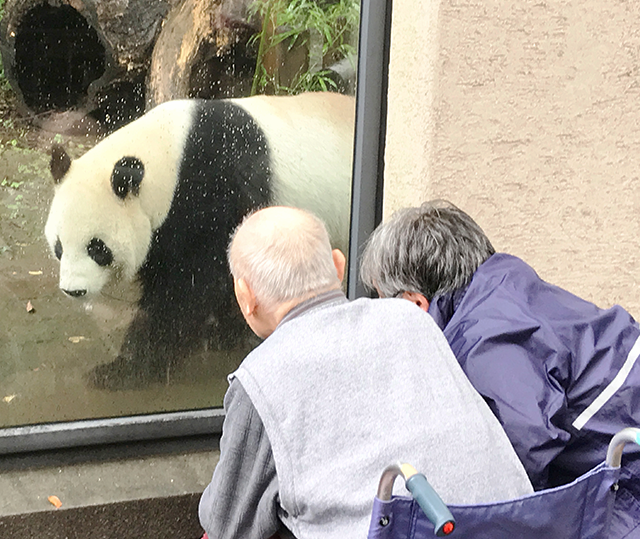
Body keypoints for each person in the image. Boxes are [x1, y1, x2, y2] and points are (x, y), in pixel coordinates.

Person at [198, 206, 532, 539]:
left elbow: (228, 523)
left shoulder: (262, 377)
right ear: (339, 266)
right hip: (511, 525)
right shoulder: (411, 320)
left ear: (246, 296)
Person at [360, 199, 640, 491]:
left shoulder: (484, 341)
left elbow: (515, 467)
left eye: (385, 303)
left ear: (415, 304)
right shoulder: (505, 286)